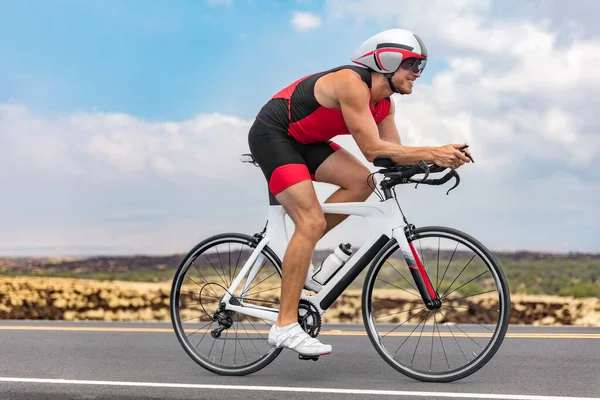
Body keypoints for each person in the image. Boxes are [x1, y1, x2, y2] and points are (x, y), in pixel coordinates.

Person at [247, 28, 472, 357]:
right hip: (274, 135)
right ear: (387, 60)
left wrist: (435, 162)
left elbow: (389, 155)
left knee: (362, 183)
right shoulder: (352, 83)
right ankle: (284, 325)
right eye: (412, 65)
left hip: (307, 142)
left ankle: (302, 255)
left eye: (421, 67)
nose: (417, 74)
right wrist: (433, 151)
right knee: (310, 222)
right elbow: (370, 149)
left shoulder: (385, 105)